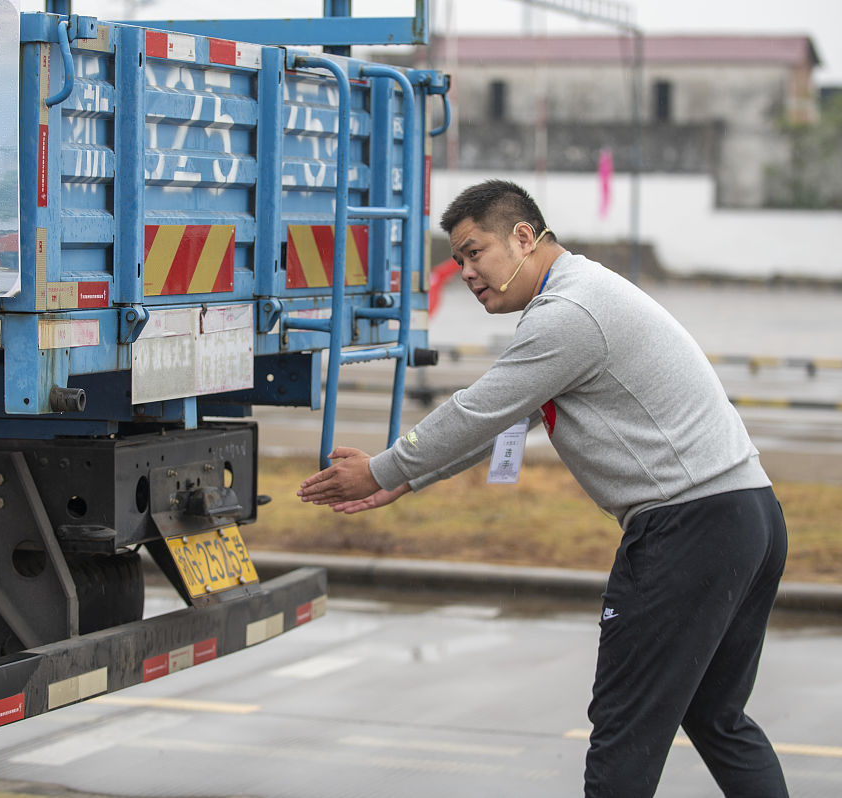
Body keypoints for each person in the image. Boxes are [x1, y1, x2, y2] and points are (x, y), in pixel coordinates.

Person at [297, 179, 789, 797]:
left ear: (524, 237)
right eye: (458, 260)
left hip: (689, 528)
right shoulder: (583, 293)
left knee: (624, 732)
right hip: (748, 514)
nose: (466, 272)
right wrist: (407, 479)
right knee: (717, 717)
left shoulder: (570, 313)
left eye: (475, 252)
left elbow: (479, 408)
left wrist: (382, 469)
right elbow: (507, 418)